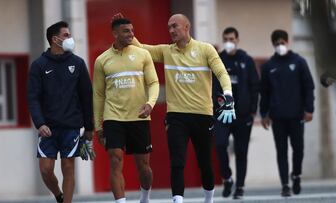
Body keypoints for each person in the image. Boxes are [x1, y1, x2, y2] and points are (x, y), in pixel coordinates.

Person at [113, 13, 235, 203]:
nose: (171, 30)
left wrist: (228, 94)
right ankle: (177, 200)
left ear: (187, 27)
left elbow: (221, 73)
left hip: (203, 115)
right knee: (177, 162)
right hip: (176, 116)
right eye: (169, 27)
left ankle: (208, 199)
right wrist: (128, 33)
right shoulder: (166, 51)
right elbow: (141, 48)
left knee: (205, 164)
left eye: (175, 26)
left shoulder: (205, 50)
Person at [93, 18, 159, 203]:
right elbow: (98, 95)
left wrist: (150, 104)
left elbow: (153, 83)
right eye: (126, 31)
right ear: (115, 34)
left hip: (139, 116)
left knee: (144, 166)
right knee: (115, 160)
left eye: (132, 30)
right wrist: (98, 126)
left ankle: (145, 198)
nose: (131, 34)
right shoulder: (102, 60)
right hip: (113, 117)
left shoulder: (143, 54)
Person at [27, 21, 95, 203]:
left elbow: (86, 97)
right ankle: (58, 195)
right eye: (66, 35)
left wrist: (89, 127)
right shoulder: (39, 65)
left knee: (68, 167)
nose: (70, 38)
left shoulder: (78, 64)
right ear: (54, 39)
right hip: (47, 127)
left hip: (71, 127)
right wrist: (40, 123)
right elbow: (33, 98)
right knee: (46, 169)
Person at [260, 29, 315, 197]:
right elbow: (265, 92)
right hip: (278, 117)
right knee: (281, 152)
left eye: (282, 43)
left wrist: (309, 109)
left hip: (297, 115)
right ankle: (285, 185)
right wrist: (264, 114)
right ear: (273, 45)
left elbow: (309, 87)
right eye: (276, 44)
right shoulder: (269, 66)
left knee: (298, 149)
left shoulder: (299, 62)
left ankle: (296, 175)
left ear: (287, 42)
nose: (279, 46)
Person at [212, 27, 259, 199]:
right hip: (222, 113)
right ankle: (227, 178)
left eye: (231, 39)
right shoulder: (219, 59)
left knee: (241, 151)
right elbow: (212, 85)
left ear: (237, 40)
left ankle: (239, 187)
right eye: (226, 39)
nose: (228, 42)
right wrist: (213, 108)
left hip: (243, 115)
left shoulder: (246, 60)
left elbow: (255, 86)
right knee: (220, 145)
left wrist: (253, 110)